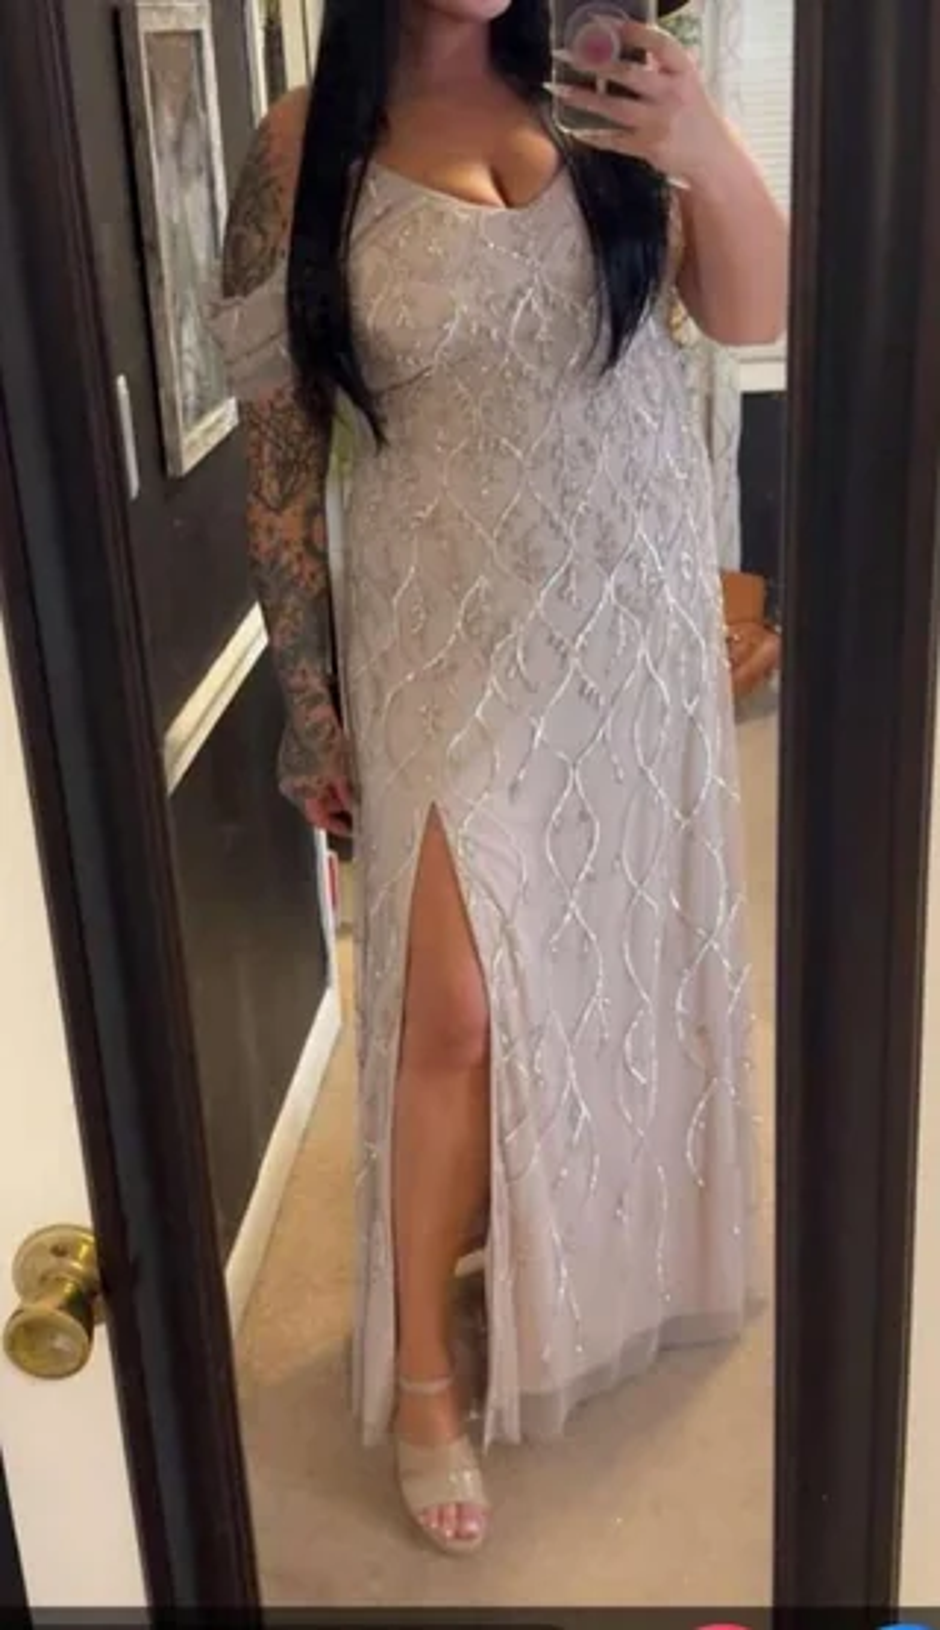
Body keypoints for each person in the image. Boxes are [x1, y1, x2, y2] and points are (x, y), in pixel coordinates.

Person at [212, 0, 788, 1559]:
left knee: (606, 959)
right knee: (452, 1005)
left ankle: (578, 1259)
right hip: (441, 628)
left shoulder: (607, 95)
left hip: (629, 610)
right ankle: (422, 1374)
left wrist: (697, 138)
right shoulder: (298, 148)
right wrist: (308, 696)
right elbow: (278, 451)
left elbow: (752, 309)